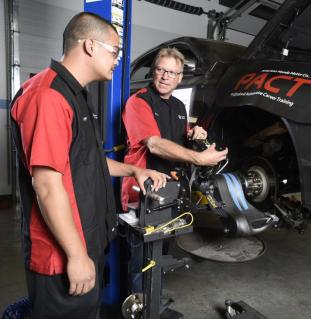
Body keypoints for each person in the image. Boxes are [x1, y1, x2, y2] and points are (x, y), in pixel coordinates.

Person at [10, 12, 168, 319]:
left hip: (83, 241)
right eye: (115, 51)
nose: (118, 60)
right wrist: (76, 255)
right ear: (90, 46)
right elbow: (46, 185)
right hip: (60, 254)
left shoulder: (74, 95)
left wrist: (134, 170)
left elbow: (87, 163)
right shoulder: (49, 96)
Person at [121, 47, 228, 210]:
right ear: (153, 72)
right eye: (161, 70)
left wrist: (193, 135)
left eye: (172, 73)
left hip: (172, 188)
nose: (165, 77)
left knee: (172, 233)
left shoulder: (179, 106)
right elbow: (154, 144)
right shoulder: (138, 102)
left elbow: (179, 136)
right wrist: (199, 158)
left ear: (179, 78)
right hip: (143, 190)